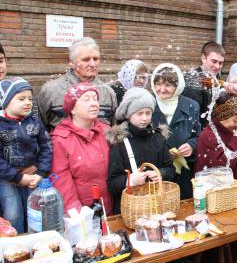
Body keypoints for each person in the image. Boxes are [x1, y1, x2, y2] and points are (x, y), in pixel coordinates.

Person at [106, 88, 175, 214]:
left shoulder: (158, 138)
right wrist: (131, 180)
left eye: (148, 113)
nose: (144, 118)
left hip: (157, 205)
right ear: (128, 115)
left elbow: (170, 168)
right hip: (131, 209)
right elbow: (112, 183)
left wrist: (160, 173)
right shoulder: (120, 142)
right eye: (139, 113)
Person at [51, 83, 112, 215]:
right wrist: (76, 213)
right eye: (86, 99)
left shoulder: (107, 131)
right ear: (72, 108)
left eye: (95, 98)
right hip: (82, 211)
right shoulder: (61, 138)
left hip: (110, 205)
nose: (94, 103)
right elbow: (61, 180)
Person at [0, 77, 51, 233]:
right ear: (5, 102)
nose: (28, 102)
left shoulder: (35, 122)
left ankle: (36, 241)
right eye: (21, 99)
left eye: (30, 98)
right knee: (12, 212)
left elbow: (46, 147)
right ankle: (15, 246)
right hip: (7, 179)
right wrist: (18, 177)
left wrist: (40, 172)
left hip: (32, 176)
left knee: (35, 210)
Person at [37, 37, 117, 131]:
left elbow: (114, 130)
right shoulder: (50, 91)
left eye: (95, 59)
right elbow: (41, 131)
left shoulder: (108, 92)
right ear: (71, 62)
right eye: (86, 59)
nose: (92, 64)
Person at [151, 63, 201, 199]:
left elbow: (198, 135)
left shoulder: (191, 106)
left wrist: (192, 145)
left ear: (177, 86)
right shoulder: (148, 104)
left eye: (168, 85)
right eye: (158, 84)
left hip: (183, 171)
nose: (162, 89)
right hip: (156, 173)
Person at [195, 91, 237, 180]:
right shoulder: (209, 136)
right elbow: (219, 169)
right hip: (212, 190)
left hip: (229, 188)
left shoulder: (227, 130)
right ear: (223, 117)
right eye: (235, 120)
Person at [182, 41, 225, 128]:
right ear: (203, 58)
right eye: (214, 61)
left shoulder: (216, 77)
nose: (217, 67)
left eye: (220, 63)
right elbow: (193, 117)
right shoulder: (192, 80)